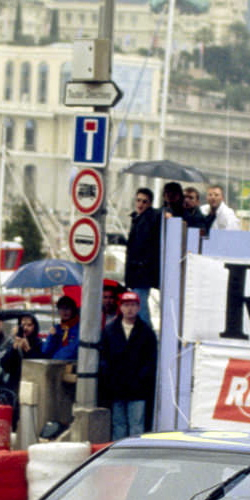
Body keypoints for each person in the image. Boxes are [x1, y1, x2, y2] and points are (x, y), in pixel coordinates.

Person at [99, 291, 158, 440]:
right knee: (118, 424)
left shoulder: (146, 332)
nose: (129, 309)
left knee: (137, 425)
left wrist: (141, 378)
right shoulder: (110, 330)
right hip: (116, 386)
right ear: (121, 307)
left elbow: (151, 360)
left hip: (137, 388)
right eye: (126, 305)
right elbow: (104, 356)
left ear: (138, 307)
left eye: (133, 305)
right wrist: (110, 378)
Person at [124, 187, 161, 321]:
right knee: (139, 307)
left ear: (150, 204)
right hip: (137, 274)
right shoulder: (138, 219)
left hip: (141, 274)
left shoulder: (149, 218)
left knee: (140, 309)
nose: (140, 204)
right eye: (139, 200)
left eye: (144, 202)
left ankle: (147, 337)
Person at [41, 295, 80, 360]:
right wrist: (52, 337)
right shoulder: (57, 328)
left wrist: (55, 358)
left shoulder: (79, 329)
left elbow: (73, 350)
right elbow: (45, 351)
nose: (64, 311)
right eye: (61, 308)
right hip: (56, 365)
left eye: (67, 308)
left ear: (73, 310)